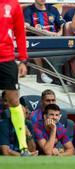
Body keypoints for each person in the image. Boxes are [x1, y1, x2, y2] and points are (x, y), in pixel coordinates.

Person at [0, 0, 30, 156]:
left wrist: (23, 59)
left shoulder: (13, 4)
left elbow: (20, 32)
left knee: (13, 101)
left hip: (6, 59)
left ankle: (23, 147)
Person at [24, 0, 66, 84]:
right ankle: (42, 74)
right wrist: (42, 33)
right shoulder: (29, 10)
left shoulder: (53, 9)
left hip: (54, 38)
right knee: (33, 44)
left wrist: (59, 33)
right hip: (37, 39)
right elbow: (26, 27)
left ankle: (63, 78)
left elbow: (62, 24)